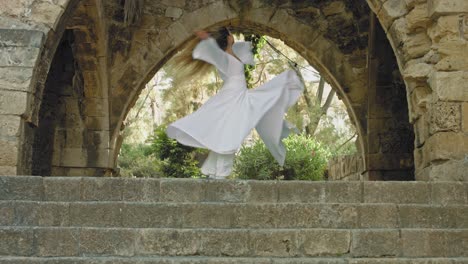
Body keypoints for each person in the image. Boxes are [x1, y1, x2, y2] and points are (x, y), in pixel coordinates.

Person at [166, 27, 303, 179]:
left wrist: (212, 38)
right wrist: (205, 37)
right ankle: (219, 172)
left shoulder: (230, 54)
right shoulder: (224, 58)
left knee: (229, 132)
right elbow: (215, 50)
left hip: (238, 96)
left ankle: (214, 171)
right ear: (229, 39)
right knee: (230, 133)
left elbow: (238, 53)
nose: (232, 35)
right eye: (230, 34)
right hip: (232, 98)